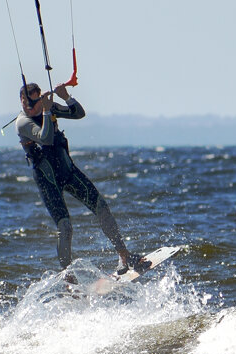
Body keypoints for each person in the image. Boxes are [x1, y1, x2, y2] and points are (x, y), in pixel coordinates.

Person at [14, 81, 149, 276]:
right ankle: (69, 279)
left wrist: (65, 97)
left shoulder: (48, 109)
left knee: (101, 207)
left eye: (34, 102)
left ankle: (124, 256)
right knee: (65, 227)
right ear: (21, 100)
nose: (30, 106)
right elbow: (45, 138)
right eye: (26, 102)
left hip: (67, 171)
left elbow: (78, 113)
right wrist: (45, 111)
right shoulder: (23, 122)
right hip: (47, 180)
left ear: (40, 97)